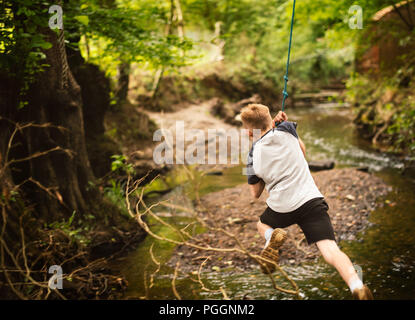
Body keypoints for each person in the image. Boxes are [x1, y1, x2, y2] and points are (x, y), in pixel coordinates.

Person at [240, 103, 373, 300]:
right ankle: (356, 285)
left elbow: (255, 193)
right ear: (270, 120)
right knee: (330, 249)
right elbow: (302, 151)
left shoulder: (252, 155)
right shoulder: (287, 128)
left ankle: (270, 239)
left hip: (281, 207)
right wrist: (282, 125)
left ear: (250, 132)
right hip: (310, 200)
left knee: (262, 224)